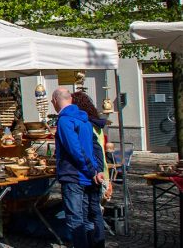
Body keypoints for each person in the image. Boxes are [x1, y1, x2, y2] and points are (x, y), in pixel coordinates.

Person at [52, 87, 105, 248]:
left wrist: (91, 170)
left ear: (55, 101)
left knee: (76, 220)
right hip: (88, 176)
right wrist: (96, 170)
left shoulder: (65, 121)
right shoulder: (84, 119)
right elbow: (96, 147)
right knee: (87, 219)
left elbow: (75, 149)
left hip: (74, 176)